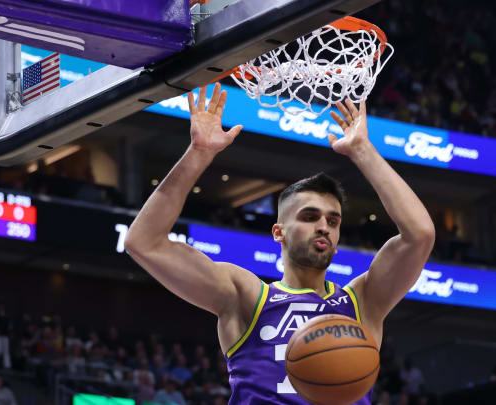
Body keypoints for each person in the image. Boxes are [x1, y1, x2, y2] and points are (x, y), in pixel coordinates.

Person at [125, 83, 435, 404]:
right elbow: (144, 242)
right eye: (310, 216)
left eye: (333, 220)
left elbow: (420, 235)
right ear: (279, 232)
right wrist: (199, 153)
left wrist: (362, 150)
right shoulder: (247, 296)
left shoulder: (362, 303)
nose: (323, 227)